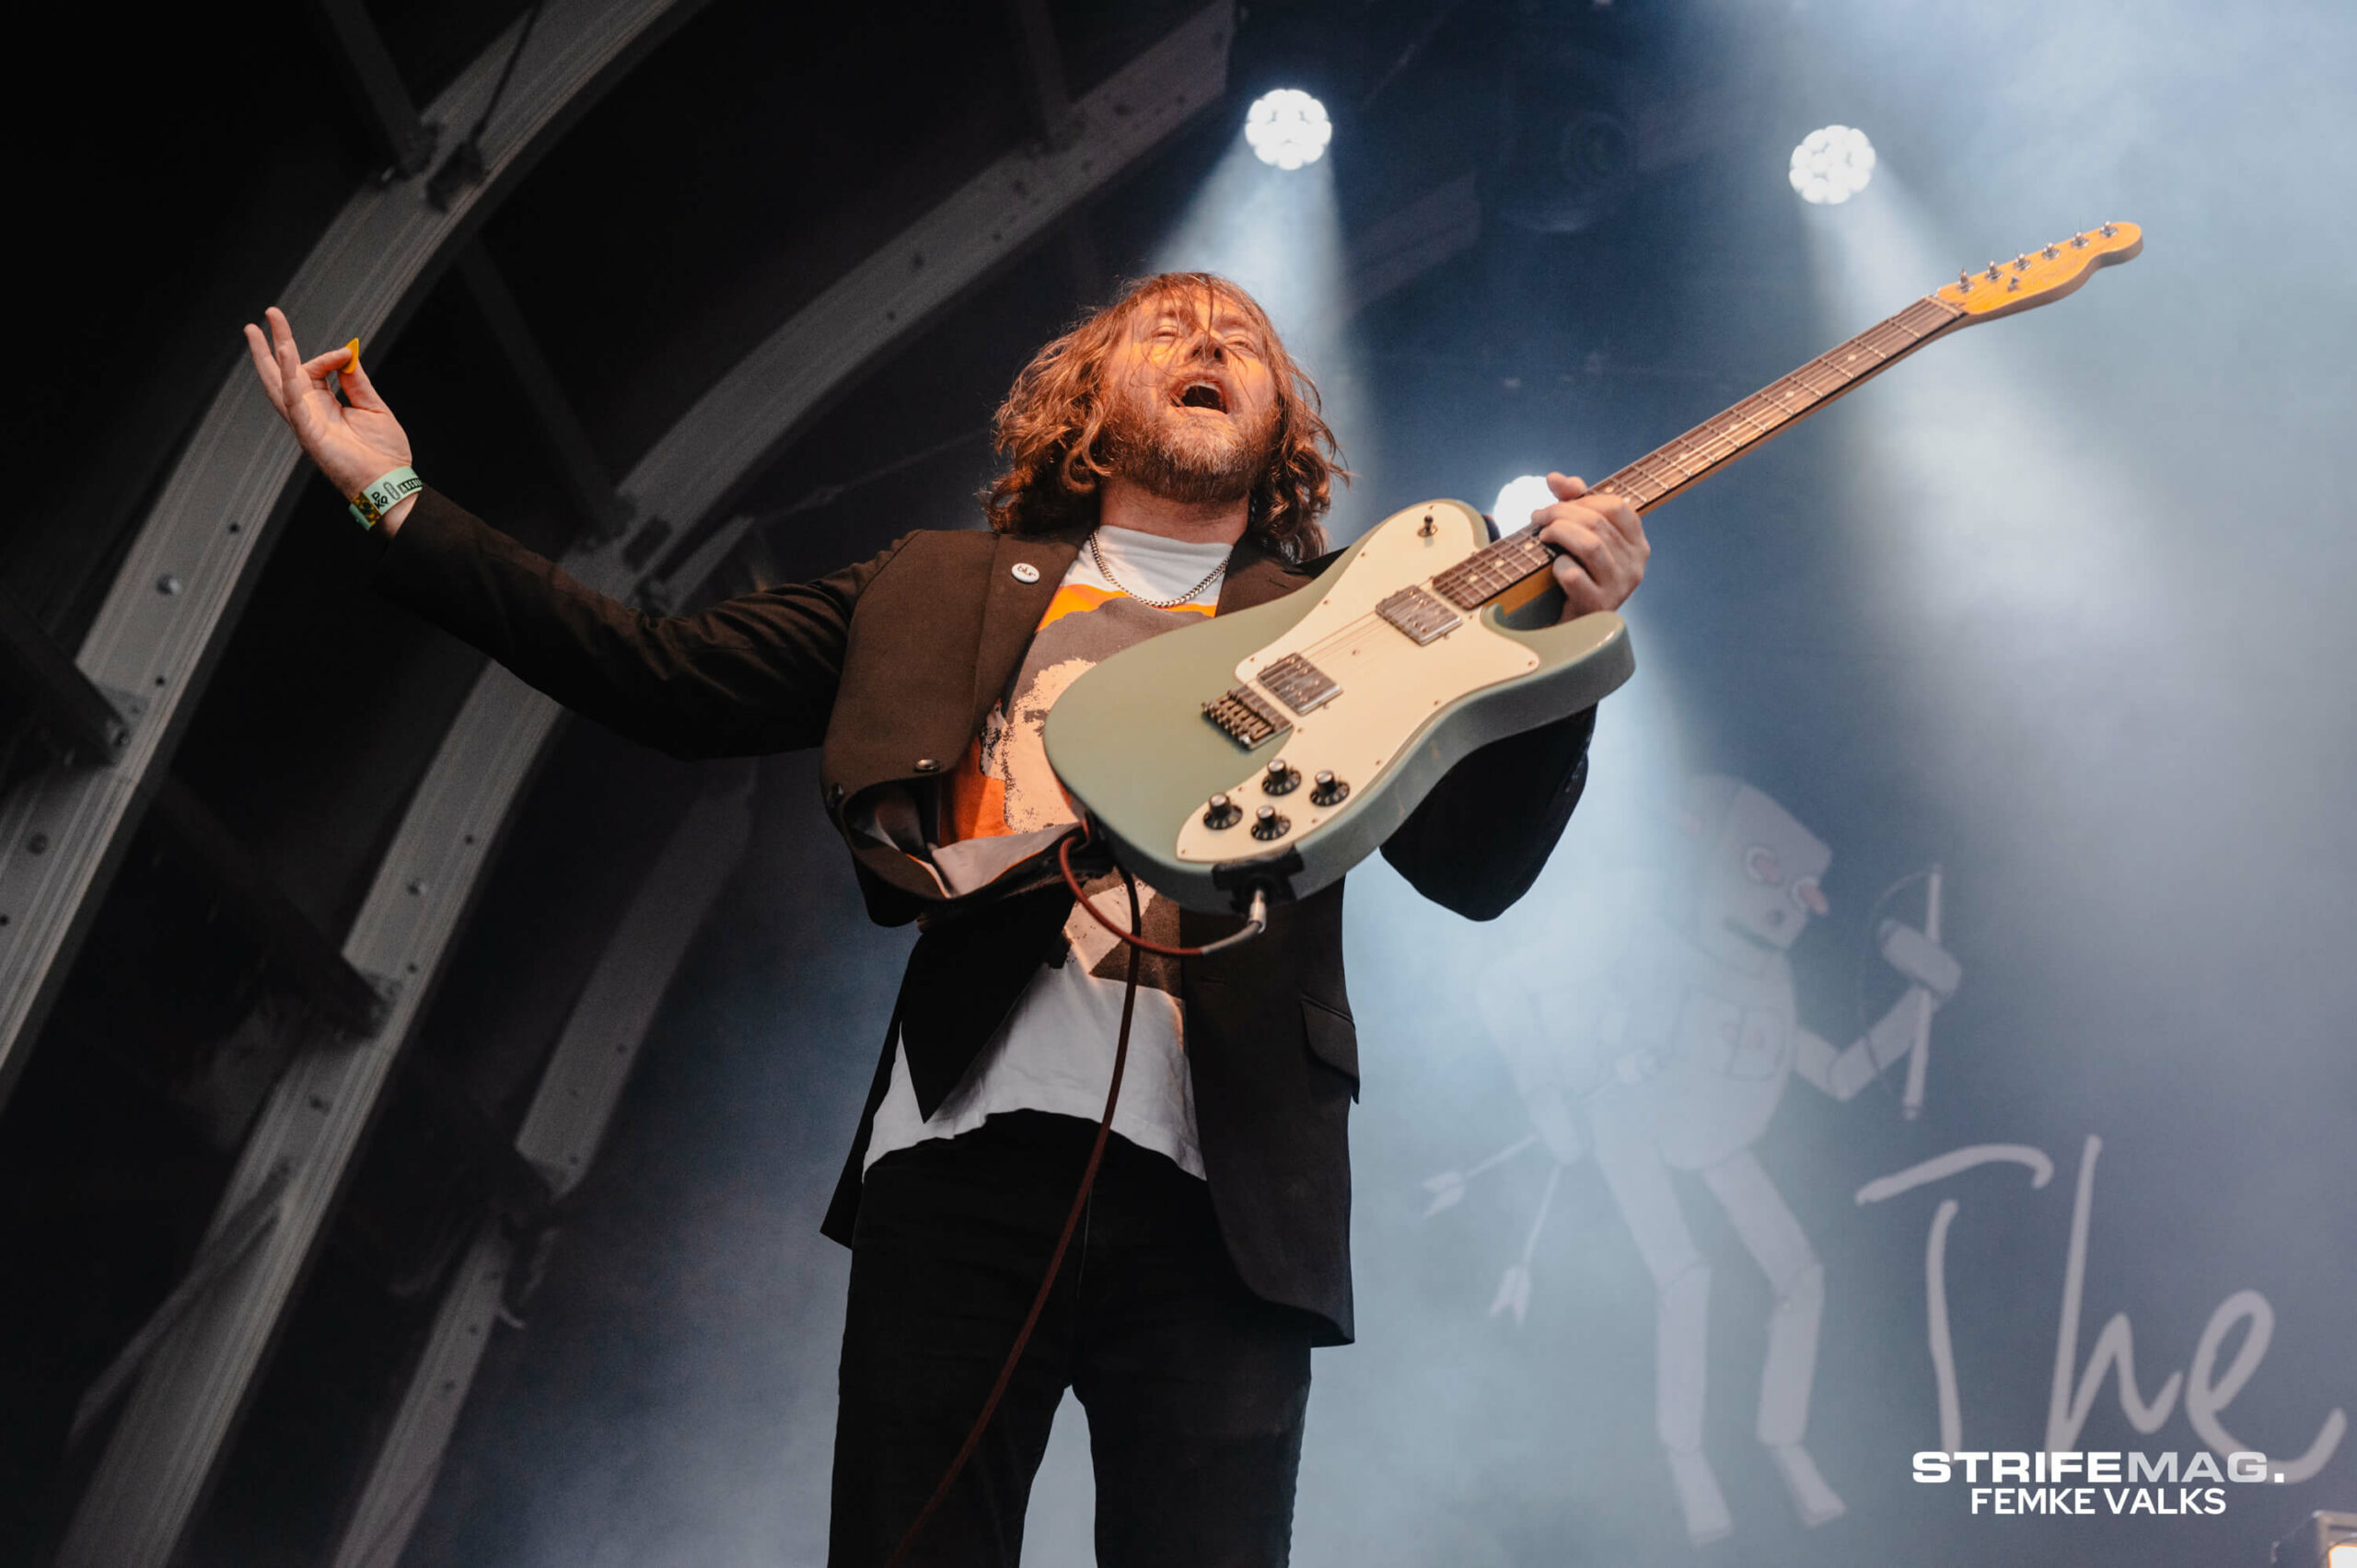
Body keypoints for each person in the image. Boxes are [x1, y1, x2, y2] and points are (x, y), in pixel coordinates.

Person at [243, 273, 1649, 1567]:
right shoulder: (932, 585)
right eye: (1168, 327)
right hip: (966, 1156)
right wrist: (395, 498)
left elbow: (1473, 872)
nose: (1211, 343)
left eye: (1246, 343)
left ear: (1282, 420)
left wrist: (1561, 668)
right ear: (1085, 400)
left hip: (1229, 1203)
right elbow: (656, 675)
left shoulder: (1350, 614)